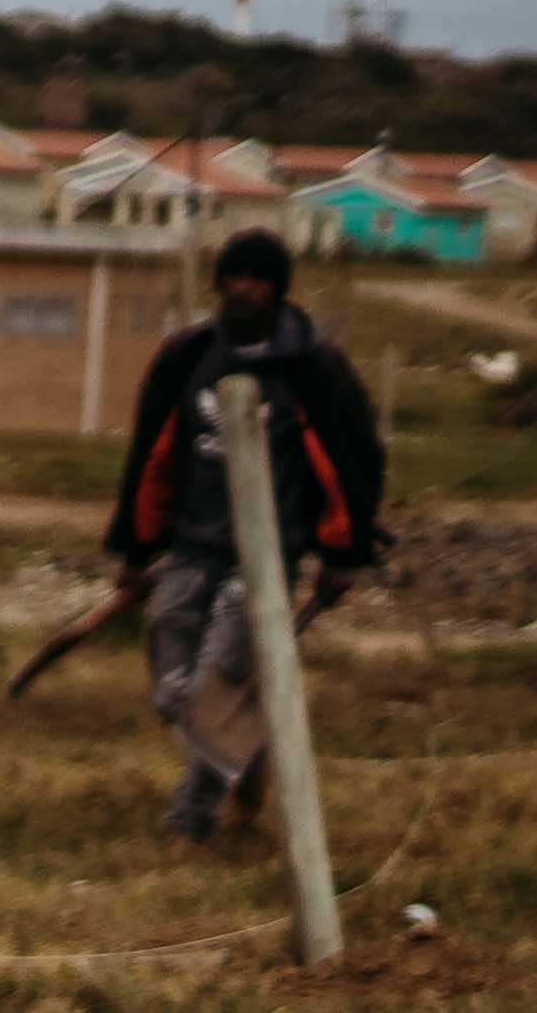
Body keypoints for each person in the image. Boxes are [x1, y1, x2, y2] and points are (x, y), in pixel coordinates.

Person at [101, 225, 385, 839]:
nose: (241, 289)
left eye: (255, 279)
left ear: (277, 289)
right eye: (232, 277)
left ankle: (191, 818)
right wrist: (134, 548)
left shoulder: (315, 368)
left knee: (219, 686)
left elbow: (355, 460)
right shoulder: (186, 358)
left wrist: (345, 553)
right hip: (191, 546)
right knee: (174, 687)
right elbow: (149, 454)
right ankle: (245, 758)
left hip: (266, 557)